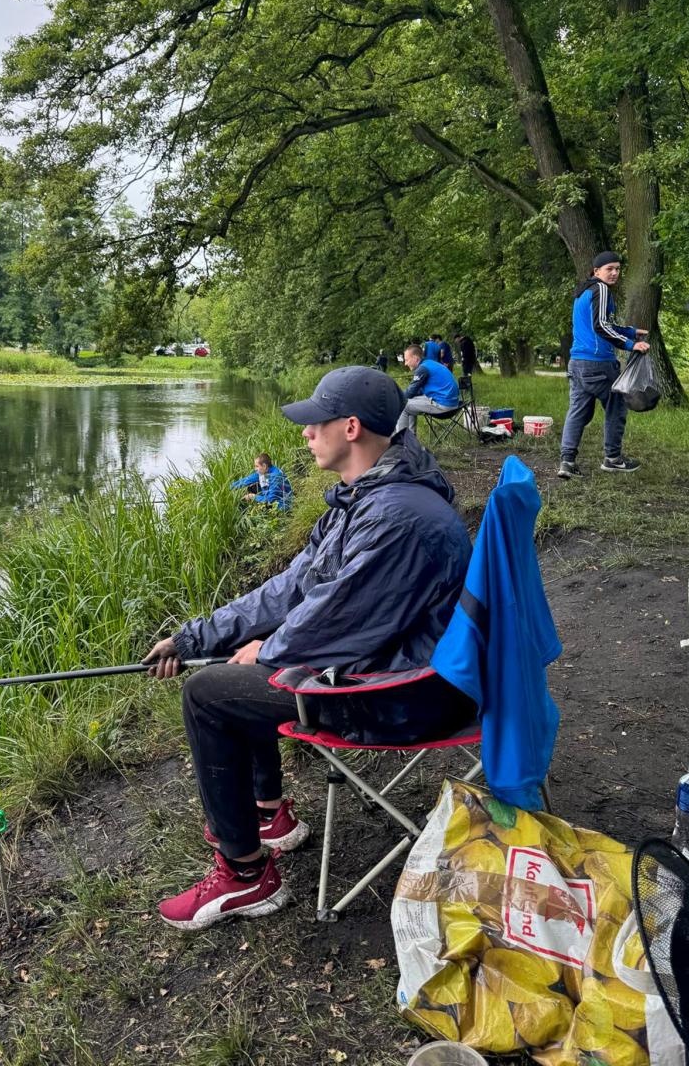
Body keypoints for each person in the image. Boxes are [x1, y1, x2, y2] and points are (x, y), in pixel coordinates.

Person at [143, 367, 475, 931]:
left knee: (209, 693)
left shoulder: (397, 516)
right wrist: (196, 636)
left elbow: (337, 621)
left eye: (313, 423)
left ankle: (246, 876)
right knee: (234, 667)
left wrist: (268, 650)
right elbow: (293, 587)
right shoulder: (364, 498)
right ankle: (267, 815)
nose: (304, 433)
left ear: (350, 428)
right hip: (393, 666)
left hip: (408, 695)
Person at [558, 251, 650, 479]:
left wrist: (630, 331)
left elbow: (601, 324)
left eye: (618, 269)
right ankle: (613, 458)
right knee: (617, 405)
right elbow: (600, 326)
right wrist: (631, 344)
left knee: (578, 411)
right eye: (610, 268)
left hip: (577, 362)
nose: (615, 273)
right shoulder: (601, 289)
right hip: (598, 363)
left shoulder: (583, 292)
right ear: (596, 270)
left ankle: (567, 462)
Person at [395, 344, 460, 437]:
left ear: (415, 358)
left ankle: (401, 443)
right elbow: (417, 391)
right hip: (453, 403)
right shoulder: (429, 363)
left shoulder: (422, 369)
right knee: (408, 402)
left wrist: (395, 396)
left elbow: (410, 392)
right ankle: (411, 440)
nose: (405, 363)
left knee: (402, 405)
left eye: (406, 360)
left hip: (444, 405)